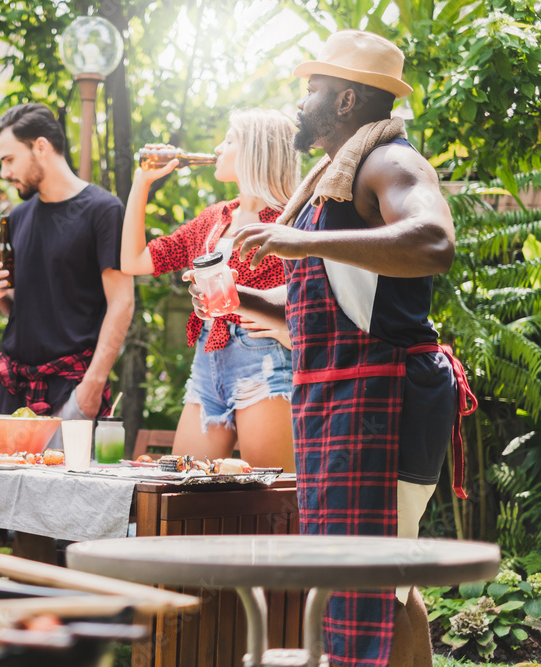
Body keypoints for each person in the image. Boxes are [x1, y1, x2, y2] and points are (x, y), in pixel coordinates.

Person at [227, 30, 476, 667]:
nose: (301, 104)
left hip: (384, 400)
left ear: (346, 101)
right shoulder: (329, 188)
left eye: (312, 89)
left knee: (375, 583)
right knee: (386, 587)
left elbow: (434, 241)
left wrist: (295, 244)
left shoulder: (391, 162)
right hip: (346, 401)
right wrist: (240, 303)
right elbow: (330, 310)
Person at [0, 103, 134, 562]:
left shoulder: (103, 210)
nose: (4, 171)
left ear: (41, 148)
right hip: (14, 389)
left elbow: (122, 301)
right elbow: (36, 306)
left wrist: (92, 385)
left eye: (9, 158)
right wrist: (0, 299)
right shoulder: (17, 218)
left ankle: (80, 623)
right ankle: (29, 618)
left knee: (74, 516)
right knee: (20, 518)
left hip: (73, 385)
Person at [120, 108, 300, 471]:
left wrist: (288, 333)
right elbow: (134, 261)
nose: (218, 147)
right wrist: (142, 183)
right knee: (185, 489)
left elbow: (315, 294)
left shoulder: (291, 221)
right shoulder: (214, 218)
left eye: (229, 139)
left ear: (255, 152)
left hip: (265, 366)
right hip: (207, 366)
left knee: (270, 501)